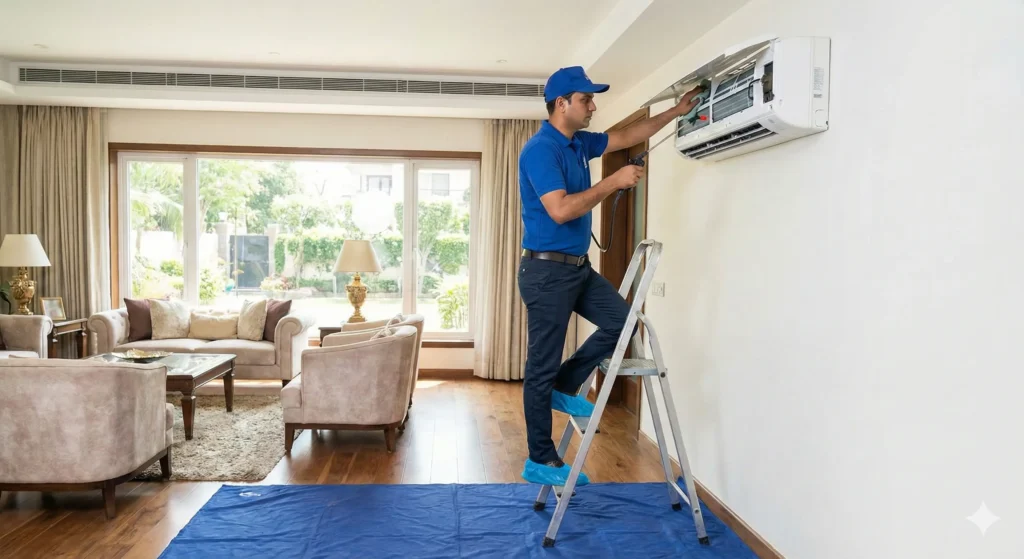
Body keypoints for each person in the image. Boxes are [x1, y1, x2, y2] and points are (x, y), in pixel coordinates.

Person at [517, 66, 705, 486]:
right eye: (586, 99)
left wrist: (676, 110)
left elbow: (628, 135)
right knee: (541, 366)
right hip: (546, 272)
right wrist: (613, 181)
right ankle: (540, 460)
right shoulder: (540, 150)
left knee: (624, 323)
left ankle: (566, 385)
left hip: (576, 269)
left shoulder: (579, 142)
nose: (593, 106)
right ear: (562, 103)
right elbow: (560, 210)